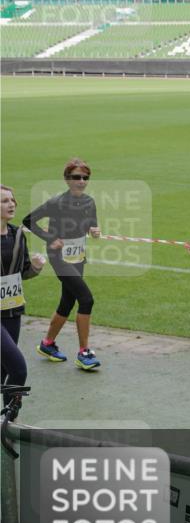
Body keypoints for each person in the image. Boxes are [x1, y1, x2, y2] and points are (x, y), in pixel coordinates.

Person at [23, 158, 101, 371]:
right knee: (86, 299)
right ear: (67, 179)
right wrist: (49, 238)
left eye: (85, 177)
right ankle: (84, 352)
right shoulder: (56, 202)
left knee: (68, 301)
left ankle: (47, 344)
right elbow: (28, 220)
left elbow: (92, 224)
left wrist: (95, 230)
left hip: (78, 256)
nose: (82, 181)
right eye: (77, 177)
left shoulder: (89, 201)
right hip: (59, 257)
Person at [1, 185, 46, 419]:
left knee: (4, 371)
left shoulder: (18, 234)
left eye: (12, 200)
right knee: (18, 367)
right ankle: (9, 417)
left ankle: (8, 424)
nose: (11, 204)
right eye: (4, 201)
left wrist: (35, 268)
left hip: (13, 311)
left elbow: (22, 272)